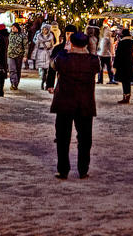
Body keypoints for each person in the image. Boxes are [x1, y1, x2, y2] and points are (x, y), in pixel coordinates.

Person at [49, 30, 101, 179]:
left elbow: (53, 64)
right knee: (85, 139)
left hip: (65, 102)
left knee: (63, 138)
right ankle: (83, 169)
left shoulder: (63, 58)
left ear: (70, 43)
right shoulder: (92, 61)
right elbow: (97, 67)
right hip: (85, 103)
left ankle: (63, 170)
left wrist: (66, 50)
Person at [113, 28, 133, 104]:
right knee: (128, 80)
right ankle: (127, 96)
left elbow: (118, 54)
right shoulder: (132, 42)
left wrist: (115, 64)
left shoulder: (122, 43)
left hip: (122, 64)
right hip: (129, 62)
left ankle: (125, 97)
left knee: (124, 81)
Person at [7, 23, 27, 90]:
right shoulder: (10, 34)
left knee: (18, 70)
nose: (13, 28)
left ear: (17, 28)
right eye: (12, 27)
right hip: (10, 55)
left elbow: (26, 46)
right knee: (12, 70)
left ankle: (16, 83)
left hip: (19, 55)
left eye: (14, 27)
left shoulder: (23, 35)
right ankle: (13, 83)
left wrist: (25, 56)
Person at [34, 23, 55, 89]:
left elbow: (52, 44)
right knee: (42, 69)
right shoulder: (39, 36)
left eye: (46, 29)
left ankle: (45, 82)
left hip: (48, 53)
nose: (44, 30)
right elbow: (37, 45)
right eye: (43, 29)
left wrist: (51, 51)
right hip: (41, 53)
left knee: (46, 69)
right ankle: (43, 81)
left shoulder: (51, 35)